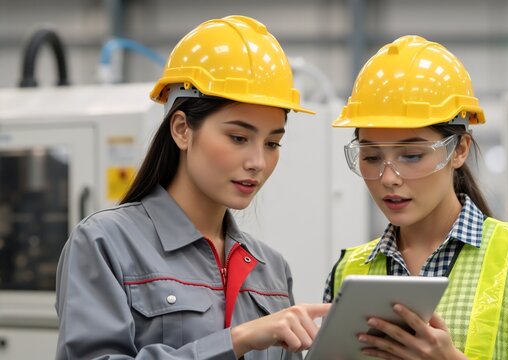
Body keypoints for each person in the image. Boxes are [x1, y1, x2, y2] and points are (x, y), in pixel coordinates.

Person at [55, 16, 330, 360]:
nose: (258, 162)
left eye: (273, 143)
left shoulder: (270, 269)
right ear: (182, 129)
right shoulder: (105, 244)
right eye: (239, 138)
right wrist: (237, 340)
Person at [324, 35, 508, 359]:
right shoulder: (349, 271)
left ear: (459, 150)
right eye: (372, 157)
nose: (388, 178)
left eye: (412, 155)